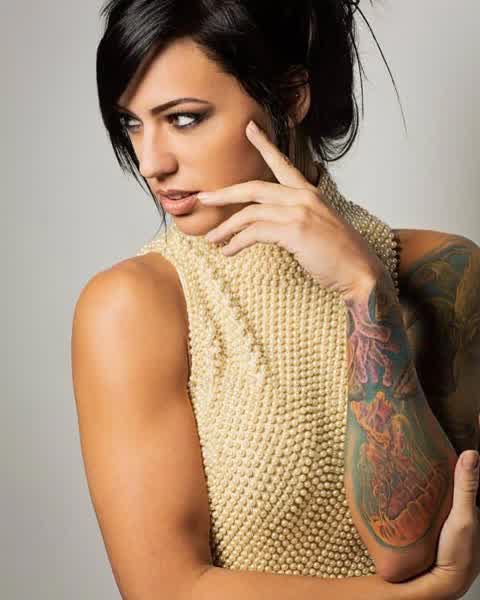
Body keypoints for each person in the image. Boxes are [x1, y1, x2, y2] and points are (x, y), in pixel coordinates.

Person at [71, 1, 480, 598]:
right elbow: (166, 589)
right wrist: (413, 599)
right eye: (132, 123)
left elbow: (408, 549)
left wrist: (365, 294)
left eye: (183, 118)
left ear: (290, 97)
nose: (152, 162)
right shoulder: (133, 307)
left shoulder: (442, 273)